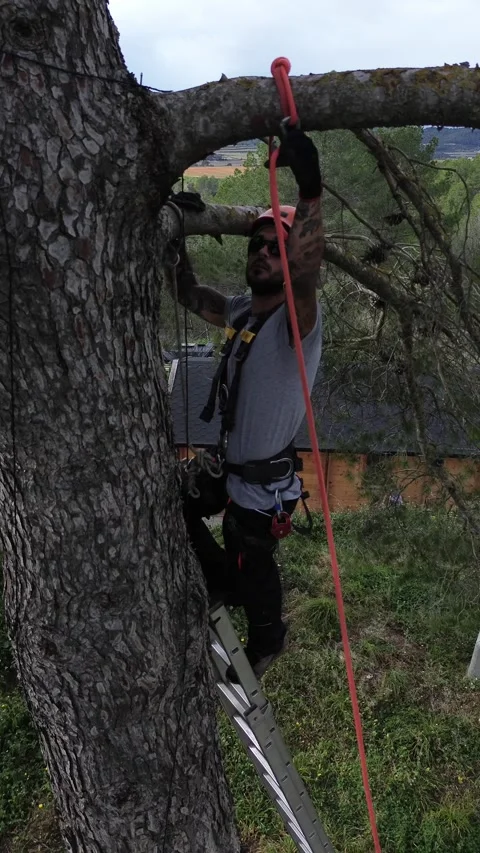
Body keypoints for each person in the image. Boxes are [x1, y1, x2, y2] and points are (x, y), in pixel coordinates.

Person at [169, 127, 324, 680]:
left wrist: (309, 194)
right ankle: (220, 583)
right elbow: (190, 296)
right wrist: (175, 234)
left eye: (274, 246)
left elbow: (305, 273)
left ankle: (267, 640)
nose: (262, 252)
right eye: (255, 245)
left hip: (262, 485)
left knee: (251, 551)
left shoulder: (295, 325)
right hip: (230, 468)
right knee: (175, 503)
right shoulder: (243, 312)